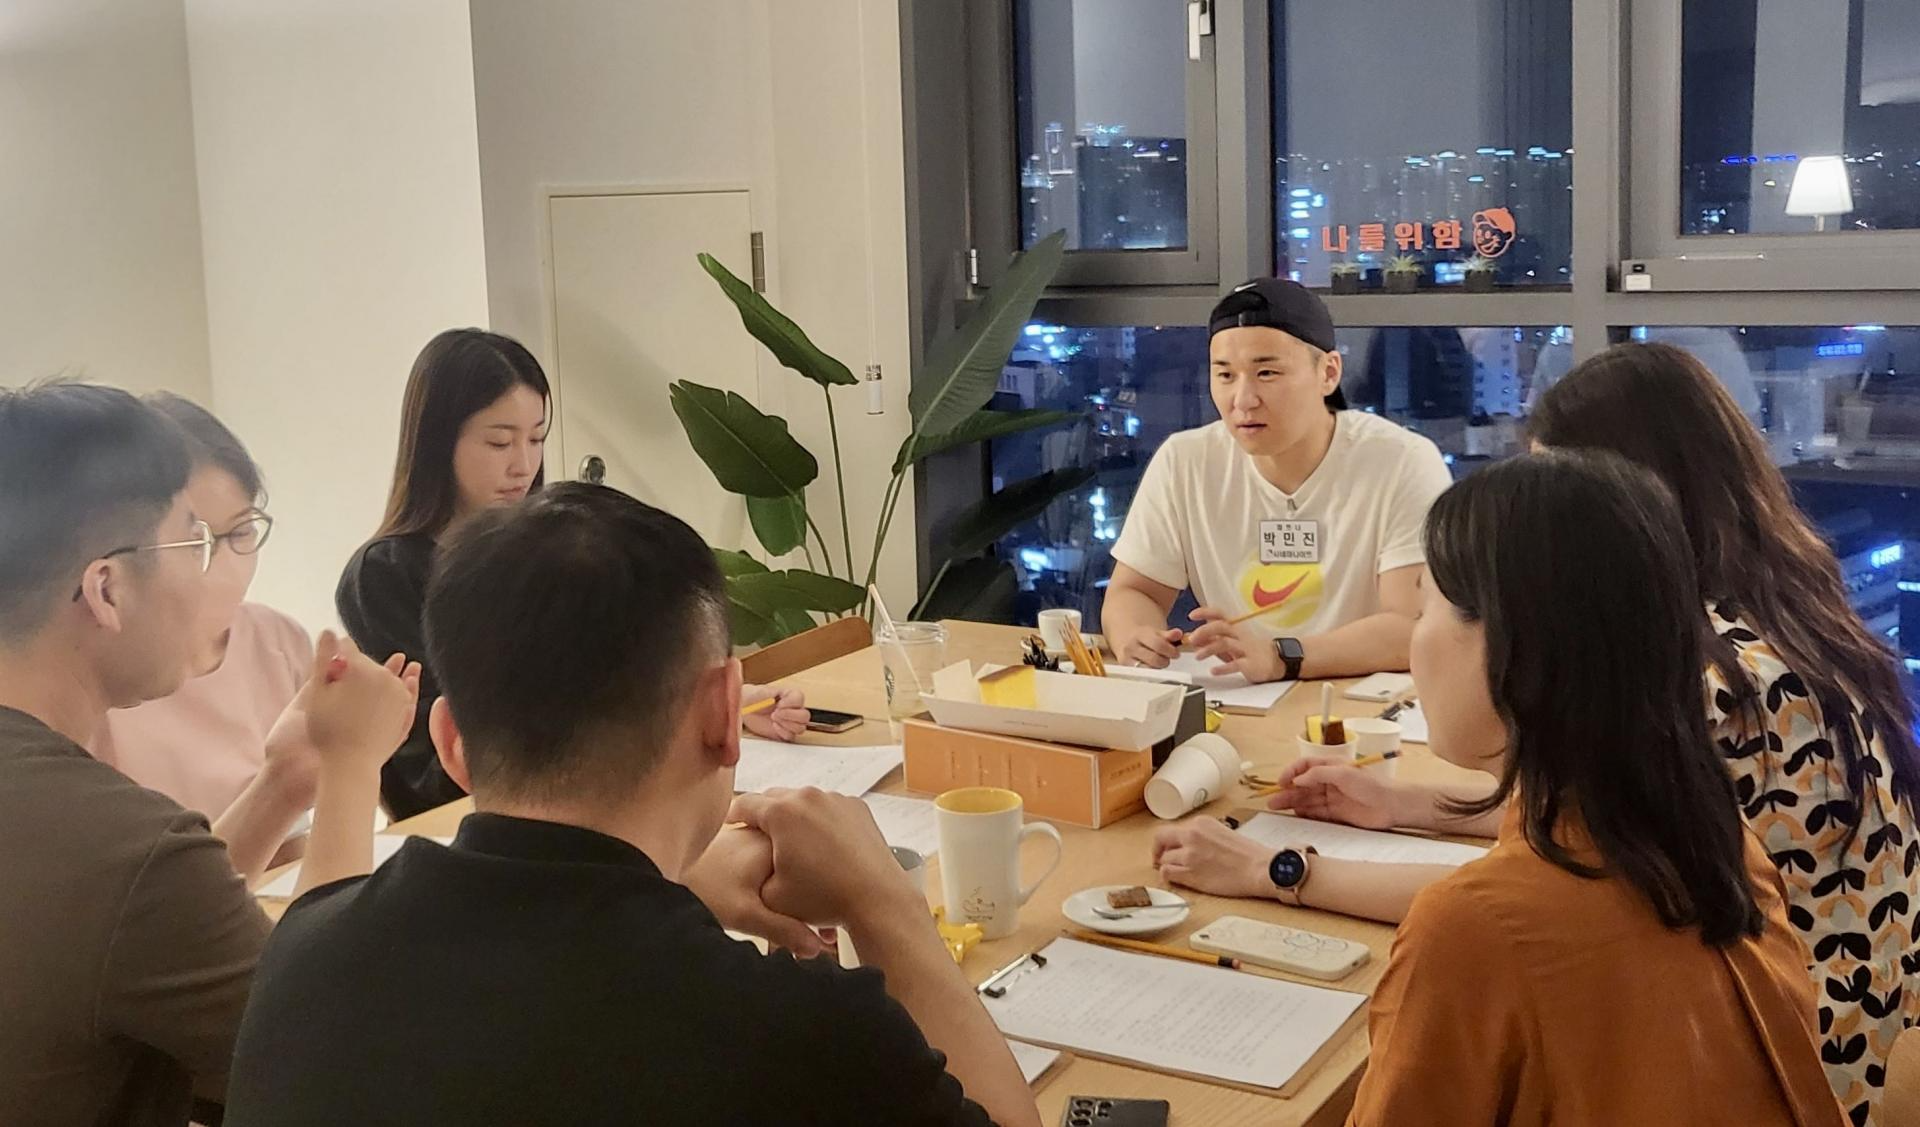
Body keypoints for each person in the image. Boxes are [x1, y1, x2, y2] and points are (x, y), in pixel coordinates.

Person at [1154, 342, 1920, 1123]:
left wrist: (1280, 869)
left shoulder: (1716, 680)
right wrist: (1409, 805)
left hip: (1813, 1061)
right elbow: (1601, 830)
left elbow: (1554, 903)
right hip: (1778, 1060)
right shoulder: (1764, 619)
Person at [226, 483, 1041, 1127]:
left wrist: (674, 885)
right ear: (727, 710)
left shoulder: (302, 953)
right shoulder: (795, 1031)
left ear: (451, 742)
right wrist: (885, 901)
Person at [1317, 453, 1843, 1122]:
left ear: (1517, 647)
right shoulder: (1713, 839)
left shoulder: (1472, 929)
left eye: (1426, 608)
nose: (1415, 645)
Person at [0, 382, 419, 1127]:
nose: (209, 585)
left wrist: (286, 780)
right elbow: (337, 1058)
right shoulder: (125, 847)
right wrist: (352, 763)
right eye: (192, 544)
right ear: (105, 589)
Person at [338, 328, 808, 820]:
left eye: (536, 438)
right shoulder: (385, 576)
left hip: (590, 796)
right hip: (481, 815)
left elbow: (616, 679)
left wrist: (726, 707)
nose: (524, 465)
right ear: (437, 443)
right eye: (500, 442)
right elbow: (435, 770)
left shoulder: (547, 543)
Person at [1101, 278, 1452, 684]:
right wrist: (1136, 637)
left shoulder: (1401, 461)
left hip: (1362, 702)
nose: (1243, 399)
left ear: (1328, 373)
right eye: (1225, 375)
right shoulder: (1186, 461)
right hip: (1238, 699)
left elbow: (1413, 625)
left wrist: (1281, 656)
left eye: (1266, 373)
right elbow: (1134, 592)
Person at [92, 394, 315, 879]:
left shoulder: (279, 641)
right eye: (196, 542)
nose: (225, 570)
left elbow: (296, 850)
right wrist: (281, 787)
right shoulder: (101, 675)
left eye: (241, 534)